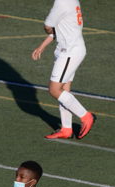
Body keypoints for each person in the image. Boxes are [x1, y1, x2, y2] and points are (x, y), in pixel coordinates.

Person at [31, 0, 95, 140]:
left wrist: (48, 30)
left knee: (54, 89)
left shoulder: (61, 2)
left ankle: (86, 116)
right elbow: (60, 28)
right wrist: (42, 46)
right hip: (69, 51)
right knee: (64, 90)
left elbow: (48, 27)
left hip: (69, 52)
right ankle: (66, 129)